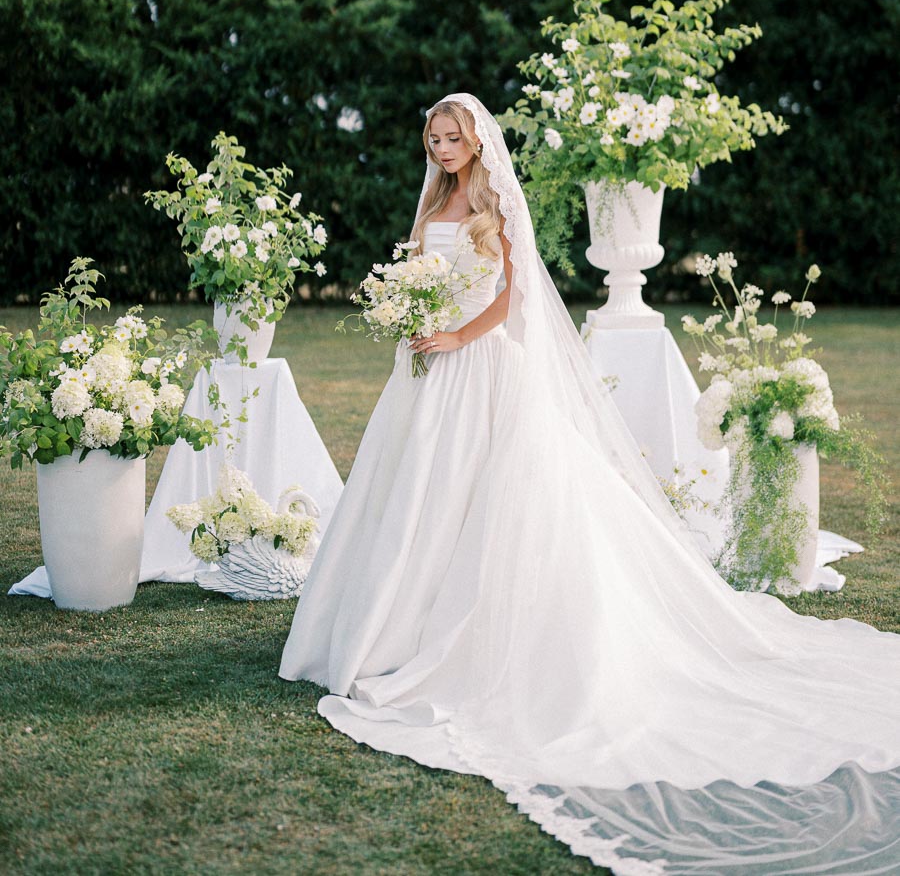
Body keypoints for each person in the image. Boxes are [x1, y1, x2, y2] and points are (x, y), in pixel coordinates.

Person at [280, 92, 900, 874]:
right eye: (433, 138)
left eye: (452, 136)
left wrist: (455, 333)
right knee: (410, 497)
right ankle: (391, 619)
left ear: (476, 140)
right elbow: (419, 272)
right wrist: (411, 319)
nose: (441, 148)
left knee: (486, 497)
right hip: (428, 369)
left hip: (478, 365)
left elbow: (512, 297)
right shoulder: (433, 201)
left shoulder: (496, 204)